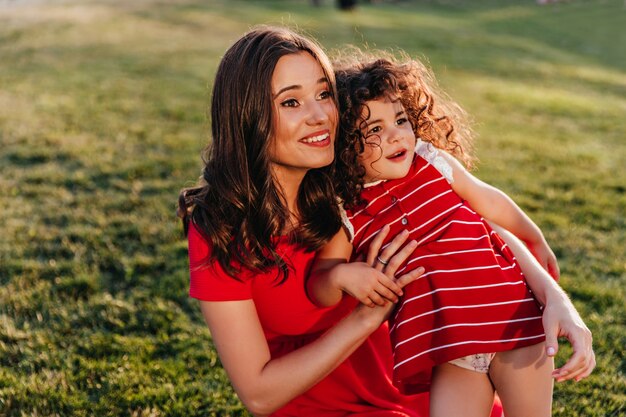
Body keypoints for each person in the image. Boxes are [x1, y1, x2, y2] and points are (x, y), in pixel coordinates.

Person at [178, 26, 595, 417]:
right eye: (290, 101)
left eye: (324, 94)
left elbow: (467, 223)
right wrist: (364, 317)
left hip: (414, 385)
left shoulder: (353, 180)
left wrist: (553, 294)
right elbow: (258, 395)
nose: (320, 115)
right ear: (248, 118)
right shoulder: (223, 228)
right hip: (319, 404)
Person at [305, 53, 593, 416]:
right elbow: (320, 286)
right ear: (346, 146)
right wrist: (342, 274)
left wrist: (534, 236)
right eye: (374, 130)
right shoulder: (348, 211)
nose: (396, 135)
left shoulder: (432, 162)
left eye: (400, 119)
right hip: (449, 349)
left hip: (511, 322)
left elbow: (491, 202)